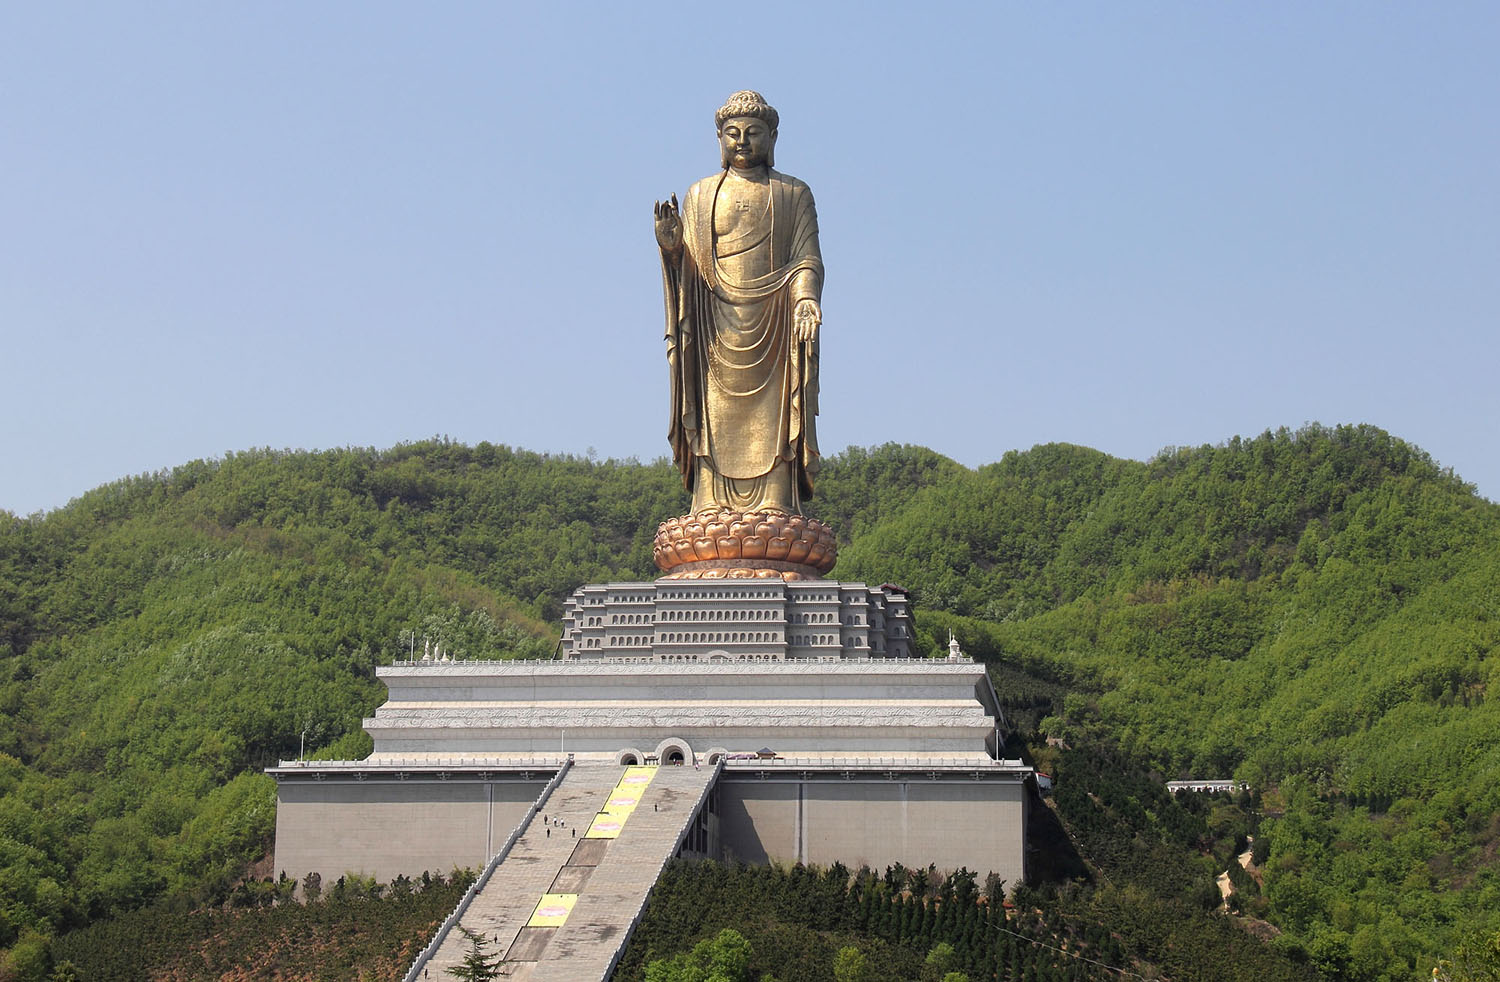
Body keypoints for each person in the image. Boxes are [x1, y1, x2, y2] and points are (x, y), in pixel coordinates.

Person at [655, 90, 824, 515]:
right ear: (719, 138)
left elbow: (807, 259)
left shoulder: (793, 193)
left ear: (773, 137)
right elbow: (689, 268)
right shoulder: (699, 194)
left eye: (753, 133)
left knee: (775, 414)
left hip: (776, 322)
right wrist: (673, 246)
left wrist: (805, 299)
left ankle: (776, 500)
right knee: (712, 412)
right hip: (713, 322)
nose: (742, 142)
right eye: (732, 133)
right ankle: (710, 499)